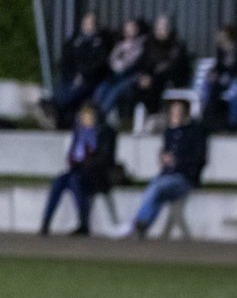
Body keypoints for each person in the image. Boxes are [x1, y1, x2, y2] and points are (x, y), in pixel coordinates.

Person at [112, 100, 208, 240]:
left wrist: (177, 161)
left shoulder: (195, 132)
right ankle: (142, 226)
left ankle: (135, 224)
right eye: (174, 112)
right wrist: (164, 158)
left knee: (156, 187)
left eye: (179, 112)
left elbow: (198, 160)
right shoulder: (169, 132)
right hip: (167, 177)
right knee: (156, 192)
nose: (176, 115)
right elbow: (166, 157)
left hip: (184, 179)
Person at [39, 103, 117, 237]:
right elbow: (72, 154)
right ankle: (45, 224)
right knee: (58, 182)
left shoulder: (105, 132)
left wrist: (89, 160)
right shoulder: (79, 133)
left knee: (76, 182)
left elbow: (105, 158)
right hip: (77, 169)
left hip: (96, 173)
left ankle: (83, 224)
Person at [39, 12, 112, 130]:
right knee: (68, 85)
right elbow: (66, 61)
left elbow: (99, 65)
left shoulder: (101, 43)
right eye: (86, 23)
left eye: (91, 24)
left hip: (91, 79)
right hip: (72, 77)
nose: (88, 26)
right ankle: (58, 116)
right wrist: (73, 75)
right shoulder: (75, 41)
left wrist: (83, 75)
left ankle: (53, 104)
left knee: (77, 87)